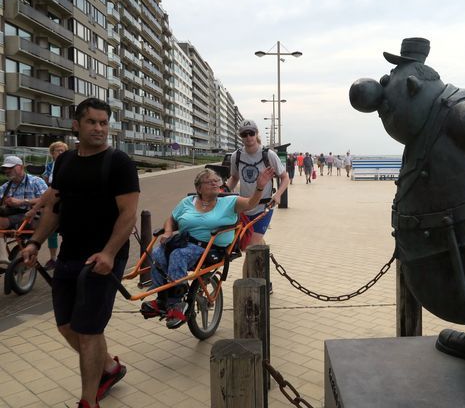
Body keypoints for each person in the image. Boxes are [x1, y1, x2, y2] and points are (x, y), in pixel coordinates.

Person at [22, 98, 139, 408]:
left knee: (88, 331)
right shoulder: (65, 162)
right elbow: (55, 208)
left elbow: (128, 215)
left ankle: (88, 401)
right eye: (92, 122)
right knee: (66, 326)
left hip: (103, 258)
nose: (100, 128)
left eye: (104, 122)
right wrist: (35, 242)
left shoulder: (119, 163)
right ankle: (110, 368)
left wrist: (110, 253)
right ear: (77, 125)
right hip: (70, 253)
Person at [141, 167, 274, 327]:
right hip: (185, 242)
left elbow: (251, 203)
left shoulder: (229, 201)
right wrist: (168, 232)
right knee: (157, 254)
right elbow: (171, 218)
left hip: (211, 248)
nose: (215, 183)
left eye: (216, 181)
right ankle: (162, 300)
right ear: (199, 188)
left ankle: (177, 304)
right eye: (209, 181)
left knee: (178, 255)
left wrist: (259, 187)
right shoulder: (187, 202)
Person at [226, 120, 289, 266]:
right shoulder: (237, 156)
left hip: (264, 207)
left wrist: (278, 194)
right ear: (240, 136)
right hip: (244, 207)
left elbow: (284, 177)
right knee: (253, 245)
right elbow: (234, 178)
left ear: (256, 134)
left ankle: (249, 282)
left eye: (251, 133)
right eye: (244, 134)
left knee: (250, 248)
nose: (248, 137)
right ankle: (264, 279)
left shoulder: (269, 155)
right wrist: (223, 191)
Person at [0, 155, 48, 230]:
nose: (7, 171)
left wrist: (22, 202)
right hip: (14, 215)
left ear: (21, 167)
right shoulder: (5, 187)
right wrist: (5, 202)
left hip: (33, 215)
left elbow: (47, 199)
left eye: (11, 167)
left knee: (2, 222)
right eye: (5, 168)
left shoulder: (36, 181)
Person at [41, 141, 69, 270]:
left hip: (65, 201)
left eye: (62, 150)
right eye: (57, 150)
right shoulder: (49, 166)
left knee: (67, 230)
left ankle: (67, 257)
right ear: (52, 153)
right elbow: (46, 182)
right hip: (52, 200)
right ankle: (53, 258)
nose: (60, 152)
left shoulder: (69, 164)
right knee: (51, 231)